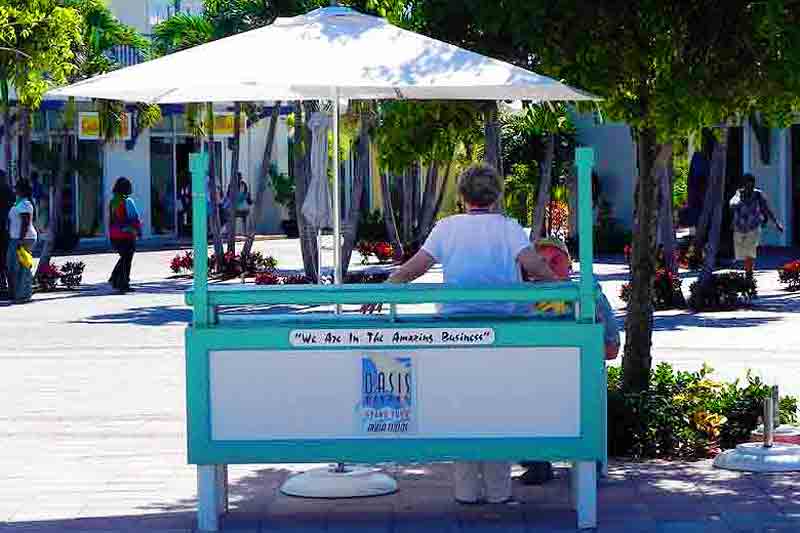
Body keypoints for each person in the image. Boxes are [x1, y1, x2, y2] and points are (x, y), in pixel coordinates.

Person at [363, 164, 557, 504]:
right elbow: (534, 265)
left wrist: (384, 289)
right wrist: (561, 288)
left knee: (463, 407)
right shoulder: (510, 228)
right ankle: (498, 491)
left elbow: (414, 268)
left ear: (462, 196)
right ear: (497, 194)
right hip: (502, 332)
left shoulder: (447, 227)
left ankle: (466, 490)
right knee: (499, 409)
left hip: (455, 331)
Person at [518, 237, 620, 485]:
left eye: (556, 259)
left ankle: (587, 461)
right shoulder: (519, 297)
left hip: (578, 373)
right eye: (541, 261)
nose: (549, 265)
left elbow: (611, 347)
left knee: (582, 392)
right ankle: (536, 461)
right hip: (535, 375)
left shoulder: (589, 293)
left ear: (569, 264)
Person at [729, 173, 783, 277]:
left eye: (752, 185)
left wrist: (776, 223)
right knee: (741, 254)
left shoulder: (758, 194)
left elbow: (767, 209)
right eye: (747, 185)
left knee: (750, 251)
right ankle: (748, 270)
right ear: (743, 185)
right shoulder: (738, 194)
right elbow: (732, 203)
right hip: (739, 227)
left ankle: (749, 275)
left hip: (753, 226)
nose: (750, 188)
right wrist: (735, 204)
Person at [7, 179, 37, 302]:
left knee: (22, 267)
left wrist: (20, 240)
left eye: (16, 188)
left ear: (21, 190)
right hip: (17, 237)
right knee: (14, 266)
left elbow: (26, 222)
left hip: (24, 239)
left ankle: (24, 294)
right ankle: (19, 293)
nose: (15, 190)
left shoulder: (25, 204)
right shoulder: (19, 202)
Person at [108, 177, 141, 292]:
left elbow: (111, 220)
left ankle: (116, 280)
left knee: (124, 258)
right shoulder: (128, 201)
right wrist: (138, 231)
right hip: (127, 234)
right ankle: (121, 282)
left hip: (115, 235)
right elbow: (134, 217)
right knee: (127, 259)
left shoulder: (113, 201)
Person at [0, 172, 15, 293]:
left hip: (4, 228)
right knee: (5, 258)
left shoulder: (7, 191)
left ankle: (3, 284)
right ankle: (6, 285)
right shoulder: (9, 191)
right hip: (7, 228)